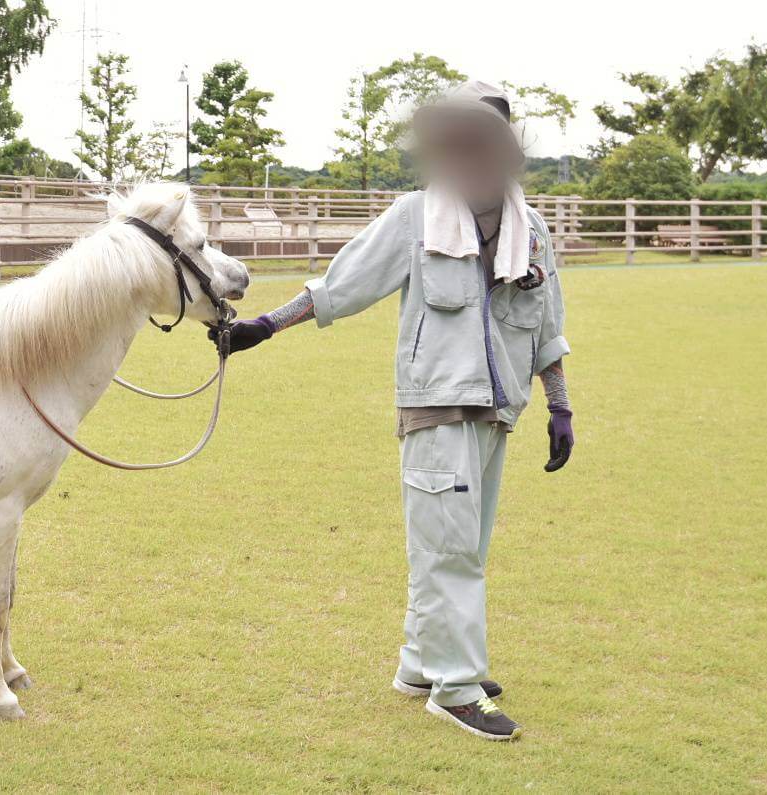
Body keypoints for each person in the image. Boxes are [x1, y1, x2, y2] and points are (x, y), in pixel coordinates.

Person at [219, 81, 573, 741]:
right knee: (448, 553)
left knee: (462, 547)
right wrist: (264, 326)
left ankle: (419, 665)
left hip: (498, 413)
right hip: (434, 411)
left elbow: (547, 322)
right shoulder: (416, 216)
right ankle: (455, 686)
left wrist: (560, 406)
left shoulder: (531, 228)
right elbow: (341, 285)